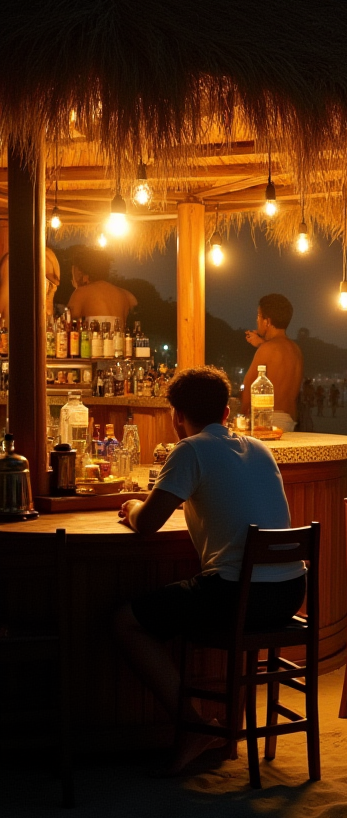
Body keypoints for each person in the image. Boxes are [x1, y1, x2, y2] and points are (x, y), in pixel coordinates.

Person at [112, 366, 305, 773]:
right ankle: (214, 726)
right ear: (226, 409)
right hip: (289, 594)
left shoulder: (190, 450)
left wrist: (131, 507)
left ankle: (195, 725)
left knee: (126, 622)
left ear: (176, 415)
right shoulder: (259, 446)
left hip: (238, 596)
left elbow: (147, 523)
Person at [240, 293, 303, 433]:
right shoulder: (295, 350)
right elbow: (279, 358)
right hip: (288, 420)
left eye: (258, 316)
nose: (257, 320)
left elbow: (248, 388)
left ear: (267, 321)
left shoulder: (267, 349)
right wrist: (262, 344)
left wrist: (241, 418)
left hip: (268, 420)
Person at [65, 247, 137, 328]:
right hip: (120, 339)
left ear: (78, 272)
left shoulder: (81, 293)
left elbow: (67, 324)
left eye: (72, 273)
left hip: (94, 339)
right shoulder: (127, 295)